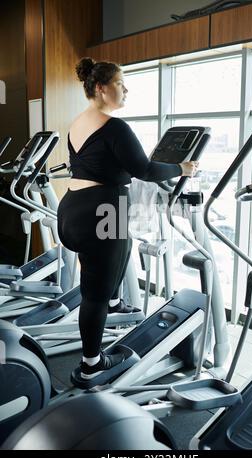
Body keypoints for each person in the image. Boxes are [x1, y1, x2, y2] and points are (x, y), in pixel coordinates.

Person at [57, 58, 200, 379]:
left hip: (72, 210)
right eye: (121, 84)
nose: (126, 90)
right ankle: (91, 365)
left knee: (109, 261)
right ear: (101, 88)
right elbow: (145, 170)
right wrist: (182, 168)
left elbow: (99, 164)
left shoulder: (79, 122)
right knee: (94, 293)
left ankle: (117, 301)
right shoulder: (115, 126)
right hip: (103, 214)